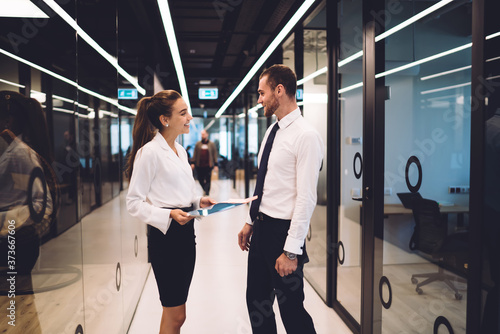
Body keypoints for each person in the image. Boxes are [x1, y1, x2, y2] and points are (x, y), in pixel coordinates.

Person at [237, 65, 324, 334]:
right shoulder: (272, 132)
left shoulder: (306, 136)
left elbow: (307, 198)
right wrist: (250, 221)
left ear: (279, 90)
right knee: (257, 303)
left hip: (283, 234)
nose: (260, 99)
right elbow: (265, 183)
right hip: (262, 230)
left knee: (292, 311)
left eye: (262, 93)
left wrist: (290, 251)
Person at [126, 90, 215, 334]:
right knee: (175, 315)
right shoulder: (149, 153)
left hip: (186, 236)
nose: (190, 118)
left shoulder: (181, 151)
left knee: (177, 313)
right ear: (165, 119)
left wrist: (198, 200)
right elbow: (133, 202)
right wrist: (168, 215)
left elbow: (179, 194)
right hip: (166, 239)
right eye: (183, 113)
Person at [191, 129, 218, 195]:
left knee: (208, 179)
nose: (202, 135)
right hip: (199, 165)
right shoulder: (198, 144)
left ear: (207, 134)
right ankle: (204, 189)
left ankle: (207, 192)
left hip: (208, 165)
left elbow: (214, 154)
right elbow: (195, 153)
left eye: (203, 134)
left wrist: (215, 164)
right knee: (200, 178)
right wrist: (193, 163)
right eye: (201, 134)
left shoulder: (211, 144)